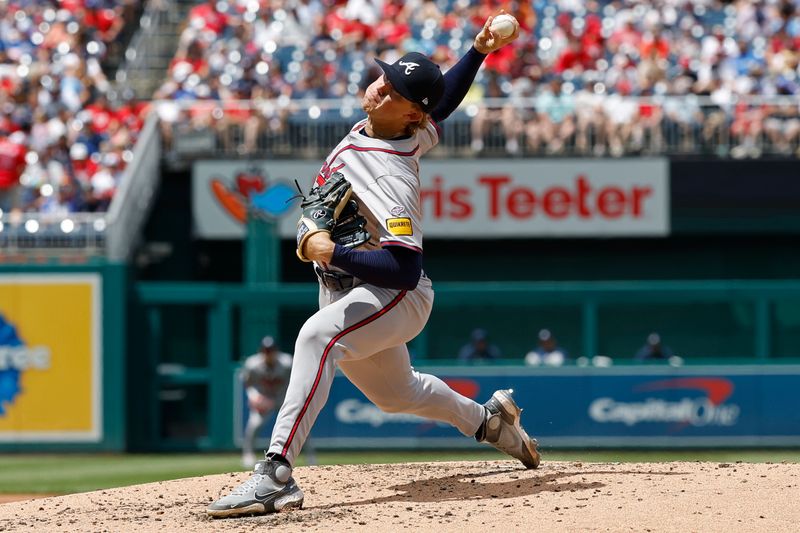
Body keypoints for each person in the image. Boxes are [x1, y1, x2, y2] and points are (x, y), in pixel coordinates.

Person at [207, 12, 540, 518]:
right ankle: (490, 421)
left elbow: (405, 268)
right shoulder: (406, 125)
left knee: (316, 338)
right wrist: (477, 52)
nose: (380, 88)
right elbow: (441, 102)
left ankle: (275, 473)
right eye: (385, 78)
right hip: (348, 290)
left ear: (409, 115)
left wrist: (332, 251)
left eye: (394, 91)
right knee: (397, 393)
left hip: (396, 296)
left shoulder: (390, 172)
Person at [240, 336, 316, 469]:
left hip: (283, 398)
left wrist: (291, 399)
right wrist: (254, 396)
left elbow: (297, 381)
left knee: (299, 425)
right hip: (264, 398)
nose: (268, 353)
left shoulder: (287, 362)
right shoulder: (252, 364)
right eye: (265, 350)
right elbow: (247, 383)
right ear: (261, 351)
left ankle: (310, 456)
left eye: (271, 350)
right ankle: (248, 454)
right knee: (254, 424)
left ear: (276, 351)